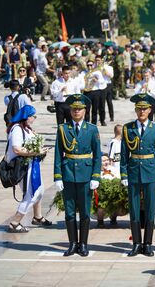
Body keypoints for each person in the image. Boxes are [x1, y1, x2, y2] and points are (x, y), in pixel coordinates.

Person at [53, 94, 101, 256]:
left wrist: (95, 176)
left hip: (86, 175)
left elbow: (98, 155)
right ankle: (72, 244)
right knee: (70, 212)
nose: (76, 112)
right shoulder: (63, 129)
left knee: (86, 212)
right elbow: (58, 154)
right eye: (73, 109)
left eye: (79, 109)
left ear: (85, 111)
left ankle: (83, 244)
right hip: (68, 175)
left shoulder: (92, 129)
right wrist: (58, 176)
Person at [120, 94, 155, 257]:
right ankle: (136, 243)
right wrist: (123, 173)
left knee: (151, 208)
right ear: (135, 110)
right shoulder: (128, 128)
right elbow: (124, 154)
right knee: (134, 208)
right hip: (133, 171)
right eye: (139, 109)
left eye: (144, 109)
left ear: (150, 110)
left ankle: (148, 244)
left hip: (150, 171)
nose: (141, 111)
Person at [6, 105, 51, 233]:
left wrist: (40, 150)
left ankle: (37, 216)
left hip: (32, 164)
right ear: (26, 117)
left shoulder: (26, 128)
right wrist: (37, 151)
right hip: (23, 167)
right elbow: (17, 149)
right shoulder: (16, 130)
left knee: (40, 190)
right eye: (32, 116)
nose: (34, 119)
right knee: (32, 194)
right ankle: (15, 222)